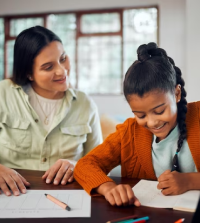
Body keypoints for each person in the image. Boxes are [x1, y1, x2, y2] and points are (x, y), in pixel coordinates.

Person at [74, 42, 200, 207]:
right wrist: (108, 187)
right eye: (140, 115)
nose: (152, 122)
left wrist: (190, 181)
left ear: (176, 93)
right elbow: (85, 165)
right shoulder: (129, 133)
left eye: (160, 111)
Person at [0, 26, 102, 196]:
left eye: (63, 58)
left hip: (68, 196)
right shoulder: (3, 94)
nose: (62, 70)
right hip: (12, 195)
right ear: (29, 74)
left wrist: (78, 166)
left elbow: (100, 162)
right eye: (48, 67)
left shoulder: (85, 104)